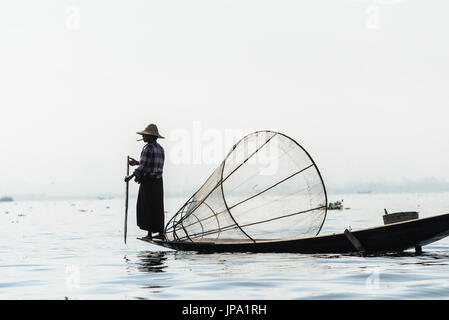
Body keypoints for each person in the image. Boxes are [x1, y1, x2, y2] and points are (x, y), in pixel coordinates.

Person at [124, 123, 165, 240]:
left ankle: (149, 235)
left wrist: (130, 176)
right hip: (158, 182)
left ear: (151, 137)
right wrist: (137, 162)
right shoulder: (160, 149)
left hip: (148, 182)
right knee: (157, 207)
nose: (143, 137)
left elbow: (143, 167)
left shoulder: (147, 148)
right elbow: (149, 164)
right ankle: (161, 233)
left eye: (145, 135)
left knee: (146, 206)